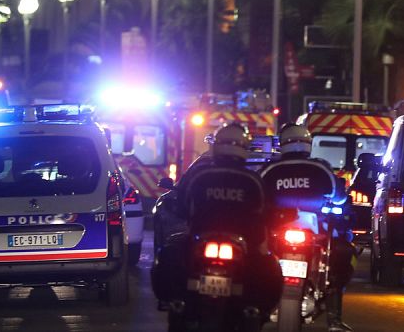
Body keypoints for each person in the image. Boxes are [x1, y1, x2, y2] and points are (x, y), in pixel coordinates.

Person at [151, 123, 282, 323]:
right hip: (242, 244)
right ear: (244, 148)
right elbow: (267, 212)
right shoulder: (252, 180)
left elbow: (182, 205)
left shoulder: (201, 175)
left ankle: (173, 301)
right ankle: (256, 309)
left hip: (200, 238)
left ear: (217, 146)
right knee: (269, 267)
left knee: (169, 253)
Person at [260, 123, 354, 332]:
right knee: (342, 256)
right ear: (308, 145)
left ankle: (254, 308)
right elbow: (338, 198)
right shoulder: (320, 168)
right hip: (312, 231)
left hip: (277, 231)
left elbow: (257, 198)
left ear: (282, 144)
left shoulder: (270, 169)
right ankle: (334, 318)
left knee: (259, 258)